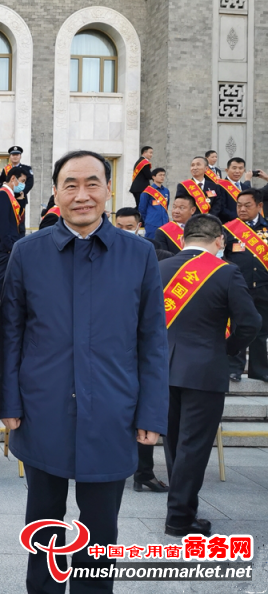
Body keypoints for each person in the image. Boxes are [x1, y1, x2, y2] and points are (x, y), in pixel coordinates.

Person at [1, 150, 169, 594]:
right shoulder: (27, 252)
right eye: (70, 184)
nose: (82, 195)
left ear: (108, 189)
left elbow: (152, 339)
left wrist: (152, 413)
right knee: (43, 526)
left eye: (92, 183)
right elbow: (10, 334)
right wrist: (9, 403)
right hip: (43, 411)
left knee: (100, 533)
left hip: (113, 412)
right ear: (55, 192)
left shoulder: (139, 255)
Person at [160, 213, 259, 536]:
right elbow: (250, 323)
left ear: (184, 238)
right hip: (204, 371)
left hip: (162, 369)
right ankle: (179, 516)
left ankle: (180, 509)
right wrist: (226, 350)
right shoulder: (226, 272)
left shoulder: (159, 269)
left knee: (174, 442)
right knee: (195, 445)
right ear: (220, 241)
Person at [113, 208, 171, 493]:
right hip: (114, 349)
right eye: (119, 225)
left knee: (142, 415)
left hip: (139, 349)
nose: (124, 230)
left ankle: (143, 472)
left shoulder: (151, 253)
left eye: (129, 226)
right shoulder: (105, 251)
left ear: (139, 226)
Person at [223, 189, 268, 383]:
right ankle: (234, 368)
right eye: (239, 205)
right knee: (238, 327)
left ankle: (259, 370)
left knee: (262, 330)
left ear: (259, 206)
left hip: (264, 287)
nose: (242, 209)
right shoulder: (228, 229)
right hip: (239, 287)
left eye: (247, 205)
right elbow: (221, 256)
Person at [0, 165, 26, 291]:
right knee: (2, 283)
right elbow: (3, 225)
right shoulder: (2, 195)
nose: (23, 185)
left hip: (8, 247)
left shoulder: (10, 196)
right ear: (13, 178)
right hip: (5, 249)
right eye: (22, 181)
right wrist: (10, 247)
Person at [0, 146, 34, 234]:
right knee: (9, 219)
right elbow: (1, 182)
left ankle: (21, 240)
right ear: (10, 156)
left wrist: (22, 192)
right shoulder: (6, 169)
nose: (15, 157)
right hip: (8, 198)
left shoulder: (26, 168)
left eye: (17, 155)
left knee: (20, 221)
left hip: (20, 198)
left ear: (20, 156)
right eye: (13, 155)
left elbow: (30, 183)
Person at [138, 167, 170, 239]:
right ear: (153, 177)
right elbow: (142, 208)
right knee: (151, 242)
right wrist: (148, 220)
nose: (162, 177)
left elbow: (166, 205)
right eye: (160, 175)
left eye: (163, 175)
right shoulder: (147, 191)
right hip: (152, 223)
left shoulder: (166, 191)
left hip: (164, 222)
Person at [217, 157, 251, 223]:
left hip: (245, 224)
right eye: (234, 168)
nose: (237, 171)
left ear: (244, 170)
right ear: (227, 170)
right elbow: (221, 208)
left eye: (240, 168)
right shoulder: (219, 186)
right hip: (227, 225)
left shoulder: (246, 188)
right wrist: (239, 218)